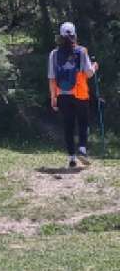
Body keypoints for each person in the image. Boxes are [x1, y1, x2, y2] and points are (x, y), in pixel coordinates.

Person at [48, 21, 99, 168]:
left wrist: (53, 97)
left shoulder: (54, 54)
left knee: (68, 126)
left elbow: (52, 78)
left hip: (62, 95)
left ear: (60, 36)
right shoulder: (81, 51)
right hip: (80, 93)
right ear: (74, 34)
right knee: (83, 122)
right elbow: (89, 73)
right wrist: (95, 67)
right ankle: (82, 148)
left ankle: (71, 157)